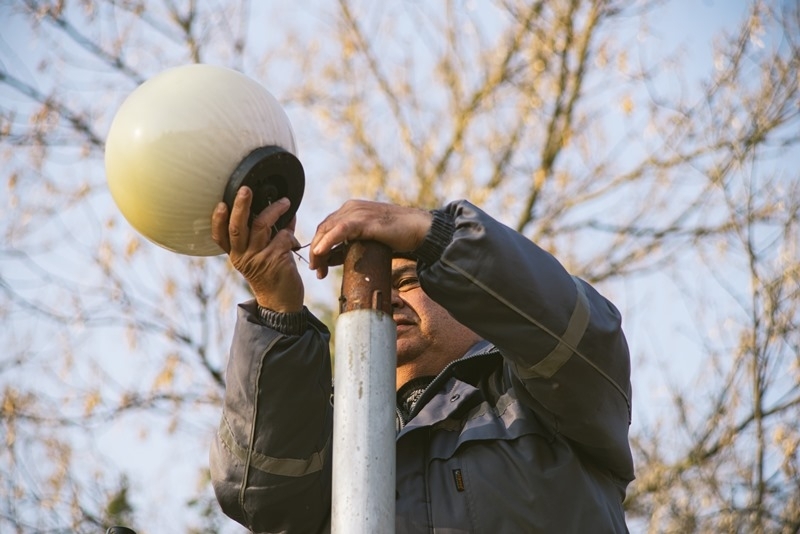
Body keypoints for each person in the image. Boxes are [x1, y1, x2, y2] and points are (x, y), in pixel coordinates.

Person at [209, 186, 634, 533]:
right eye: (349, 299)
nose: (385, 298)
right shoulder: (327, 439)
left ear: (466, 293)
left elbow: (582, 334)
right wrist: (277, 311)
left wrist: (432, 234)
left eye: (408, 280)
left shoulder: (537, 396)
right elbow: (261, 495)